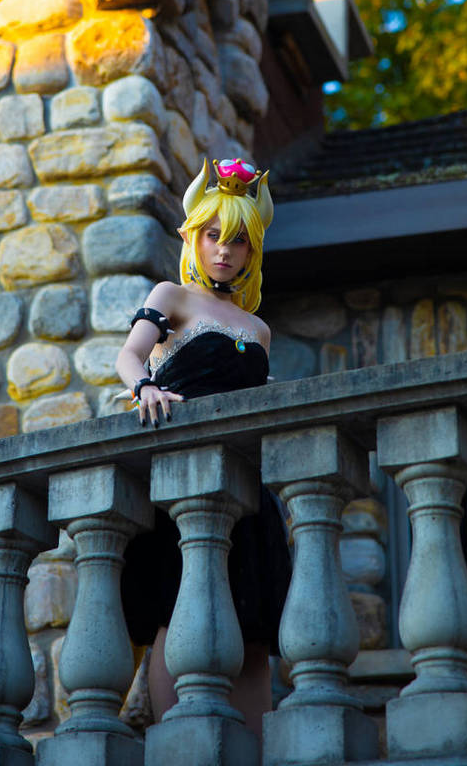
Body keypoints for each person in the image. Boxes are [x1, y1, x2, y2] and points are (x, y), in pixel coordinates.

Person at [115, 157, 291, 740]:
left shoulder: (258, 329)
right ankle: (180, 745)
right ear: (193, 236)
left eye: (238, 241)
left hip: (249, 490)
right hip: (186, 482)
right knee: (178, 611)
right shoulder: (172, 297)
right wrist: (145, 387)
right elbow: (128, 356)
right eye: (214, 235)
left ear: (251, 251)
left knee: (254, 629)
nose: (225, 251)